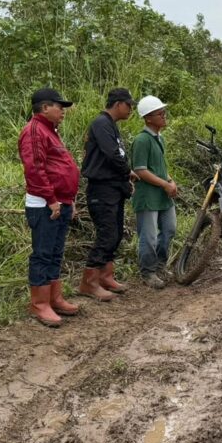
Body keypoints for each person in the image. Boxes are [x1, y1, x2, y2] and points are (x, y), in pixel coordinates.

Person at [18, 88, 81, 327]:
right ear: (45, 108)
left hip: (60, 202)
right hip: (45, 205)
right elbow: (34, 169)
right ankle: (39, 304)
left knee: (56, 251)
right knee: (43, 253)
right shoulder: (34, 131)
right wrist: (51, 199)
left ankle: (55, 298)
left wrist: (68, 199)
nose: (63, 110)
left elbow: (60, 168)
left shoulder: (50, 131)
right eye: (59, 106)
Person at [78, 88, 137, 301]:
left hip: (114, 187)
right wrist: (126, 170)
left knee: (116, 233)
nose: (131, 110)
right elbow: (113, 155)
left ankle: (106, 276)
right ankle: (89, 282)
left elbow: (116, 155)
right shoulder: (101, 124)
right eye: (129, 105)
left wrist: (125, 176)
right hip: (101, 188)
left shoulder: (111, 125)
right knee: (107, 233)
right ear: (118, 104)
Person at [132, 95, 178, 290]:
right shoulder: (142, 140)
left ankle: (160, 265)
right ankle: (148, 271)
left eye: (164, 112)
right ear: (148, 118)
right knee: (149, 236)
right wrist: (164, 184)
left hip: (162, 194)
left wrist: (170, 180)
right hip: (147, 196)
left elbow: (160, 167)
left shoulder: (160, 139)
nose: (164, 116)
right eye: (160, 113)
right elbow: (141, 170)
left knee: (169, 229)